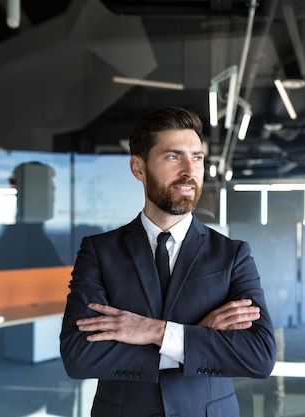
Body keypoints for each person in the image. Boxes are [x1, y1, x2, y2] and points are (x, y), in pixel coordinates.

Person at [60, 106, 276, 417]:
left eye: (197, 157)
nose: (190, 170)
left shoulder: (232, 255)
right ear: (139, 168)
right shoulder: (99, 252)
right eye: (173, 157)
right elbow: (79, 356)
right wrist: (196, 339)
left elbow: (259, 356)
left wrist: (154, 331)